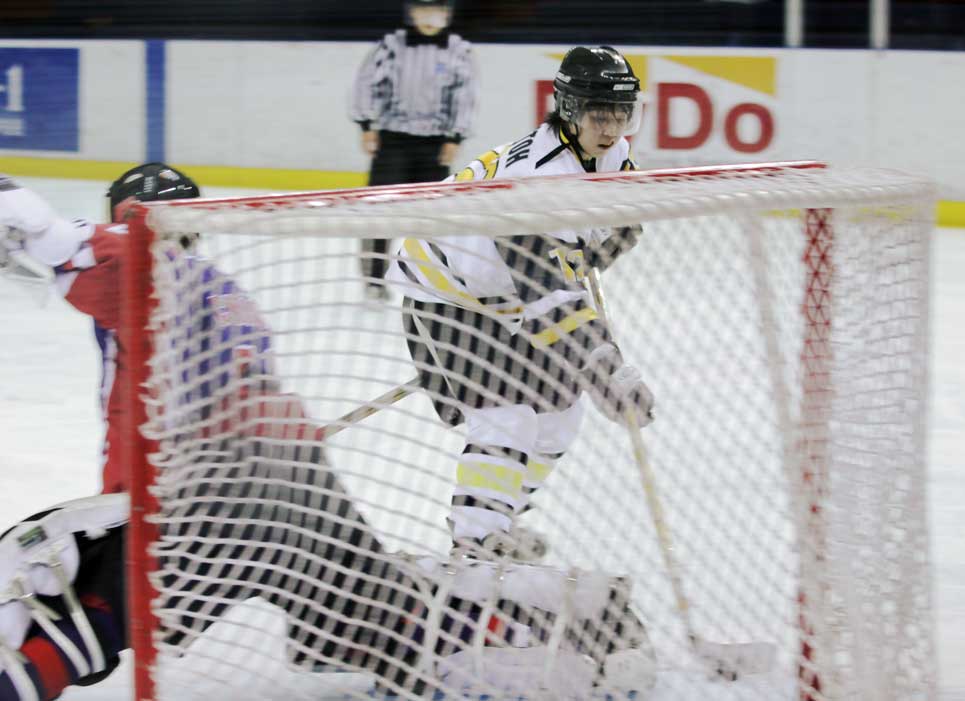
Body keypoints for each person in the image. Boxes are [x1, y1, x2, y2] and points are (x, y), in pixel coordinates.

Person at [0, 170, 656, 700]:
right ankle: (551, 621)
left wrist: (21, 210)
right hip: (291, 482)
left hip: (205, 495)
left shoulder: (148, 270)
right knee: (372, 609)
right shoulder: (221, 287)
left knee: (102, 605)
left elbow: (75, 244)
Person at [385, 46, 655, 560]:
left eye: (623, 114)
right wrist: (606, 367)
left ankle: (499, 517)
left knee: (559, 415)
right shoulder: (537, 178)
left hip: (505, 298)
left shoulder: (612, 153)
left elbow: (624, 225)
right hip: (444, 295)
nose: (613, 128)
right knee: (506, 415)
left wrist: (597, 247)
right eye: (600, 115)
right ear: (570, 110)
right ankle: (476, 541)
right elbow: (548, 295)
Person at [0, 163, 212, 494]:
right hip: (249, 476)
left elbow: (50, 236)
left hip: (155, 497)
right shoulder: (221, 287)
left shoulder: (134, 272)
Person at [350, 0, 479, 303]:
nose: (430, 18)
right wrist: (366, 123)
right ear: (412, 13)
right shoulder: (392, 45)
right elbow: (366, 82)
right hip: (392, 141)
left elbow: (465, 95)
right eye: (423, 10)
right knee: (379, 212)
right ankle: (374, 280)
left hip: (433, 145)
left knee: (433, 217)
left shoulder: (459, 50)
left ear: (447, 14)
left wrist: (455, 136)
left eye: (438, 11)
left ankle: (431, 280)